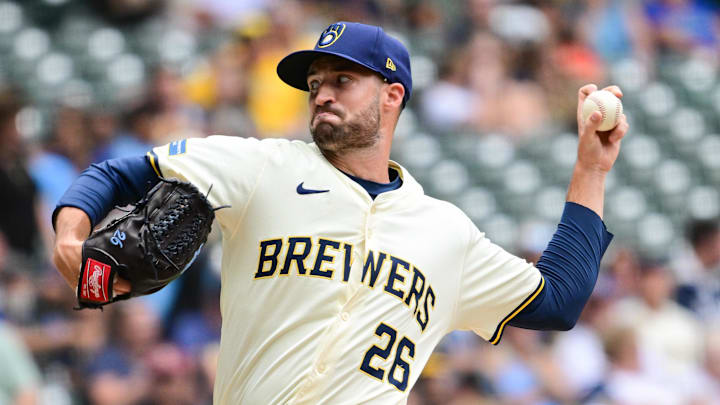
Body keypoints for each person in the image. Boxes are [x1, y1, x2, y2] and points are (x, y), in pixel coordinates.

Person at [52, 22, 628, 404]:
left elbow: (560, 299)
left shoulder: (445, 232)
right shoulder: (261, 167)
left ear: (392, 94)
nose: (322, 93)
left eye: (343, 80)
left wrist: (592, 171)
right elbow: (116, 174)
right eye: (315, 84)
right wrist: (71, 238)